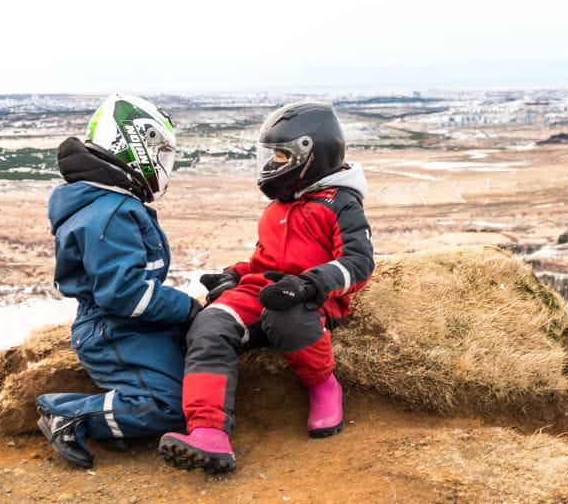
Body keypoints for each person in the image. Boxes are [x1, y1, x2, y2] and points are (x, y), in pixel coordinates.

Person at [159, 102, 374, 474]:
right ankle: (208, 432)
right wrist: (235, 276)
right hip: (268, 290)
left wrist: (309, 285)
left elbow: (359, 264)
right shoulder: (277, 209)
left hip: (311, 302)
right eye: (272, 154)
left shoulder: (341, 204)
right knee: (209, 324)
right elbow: (264, 262)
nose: (273, 164)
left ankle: (323, 387)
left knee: (284, 315)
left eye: (281, 155)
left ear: (311, 154)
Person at [36, 93, 202, 469]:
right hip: (114, 329)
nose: (162, 166)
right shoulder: (110, 212)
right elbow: (123, 293)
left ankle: (118, 419)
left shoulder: (110, 203)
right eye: (159, 154)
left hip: (127, 324)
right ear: (134, 147)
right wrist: (187, 307)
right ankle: (68, 414)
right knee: (167, 405)